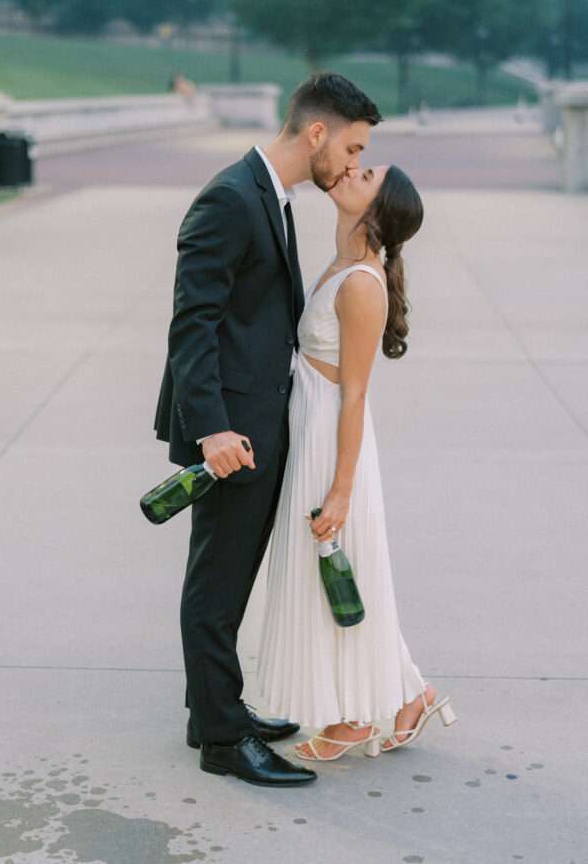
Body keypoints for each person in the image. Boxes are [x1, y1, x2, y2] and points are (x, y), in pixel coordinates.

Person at [153, 73, 383, 786]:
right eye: (350, 147)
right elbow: (193, 323)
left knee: (230, 574)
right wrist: (213, 430)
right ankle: (222, 739)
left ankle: (216, 709)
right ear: (316, 132)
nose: (350, 164)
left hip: (254, 420)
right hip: (229, 430)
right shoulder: (230, 198)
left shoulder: (271, 197)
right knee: (216, 582)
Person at [256, 161, 459, 762]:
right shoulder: (342, 262)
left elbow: (355, 392)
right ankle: (409, 695)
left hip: (331, 441)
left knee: (340, 575)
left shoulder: (363, 285)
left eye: (365, 172)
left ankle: (355, 718)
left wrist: (341, 489)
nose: (350, 169)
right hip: (310, 429)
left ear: (377, 209)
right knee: (348, 574)